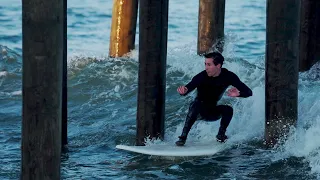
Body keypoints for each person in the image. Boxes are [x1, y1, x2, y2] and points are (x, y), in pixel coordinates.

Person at [175, 52, 252, 146]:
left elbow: (248, 92)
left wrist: (239, 93)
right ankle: (182, 138)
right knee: (195, 104)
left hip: (212, 112)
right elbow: (188, 88)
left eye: (209, 64)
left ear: (218, 65)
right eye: (205, 64)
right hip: (198, 111)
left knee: (228, 110)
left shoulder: (228, 76)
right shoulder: (201, 76)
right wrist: (183, 91)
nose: (206, 67)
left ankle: (221, 135)